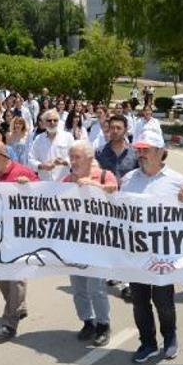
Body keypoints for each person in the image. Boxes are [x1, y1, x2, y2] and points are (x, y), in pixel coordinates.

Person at [121, 130, 183, 363]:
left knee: (163, 301)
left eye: (146, 150)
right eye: (139, 150)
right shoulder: (128, 179)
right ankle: (147, 343)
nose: (141, 154)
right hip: (136, 254)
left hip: (163, 254)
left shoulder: (177, 181)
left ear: (160, 152)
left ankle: (170, 336)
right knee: (139, 302)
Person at [0, 141, 39, 339]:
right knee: (1, 275)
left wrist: (29, 187)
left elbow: (44, 198)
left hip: (20, 236)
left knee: (17, 279)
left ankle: (10, 322)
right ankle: (17, 306)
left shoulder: (25, 173)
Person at [63, 140, 118, 347]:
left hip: (99, 243)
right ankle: (88, 321)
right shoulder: (67, 181)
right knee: (78, 287)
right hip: (75, 243)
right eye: (71, 157)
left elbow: (118, 204)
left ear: (89, 158)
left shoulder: (105, 176)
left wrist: (97, 187)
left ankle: (103, 324)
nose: (74, 161)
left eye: (77, 157)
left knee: (97, 287)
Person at [95, 115, 138, 301]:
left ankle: (127, 283)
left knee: (126, 243)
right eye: (111, 127)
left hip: (128, 206)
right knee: (109, 242)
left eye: (118, 128)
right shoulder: (99, 152)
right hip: (106, 205)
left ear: (125, 130)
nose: (114, 131)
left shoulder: (135, 153)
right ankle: (112, 273)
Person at [28, 110, 75, 181]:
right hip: (44, 183)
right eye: (49, 120)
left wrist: (64, 162)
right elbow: (31, 159)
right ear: (44, 122)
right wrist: (42, 166)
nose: (52, 122)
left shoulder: (68, 137)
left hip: (64, 183)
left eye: (55, 120)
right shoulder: (38, 139)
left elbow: (75, 157)